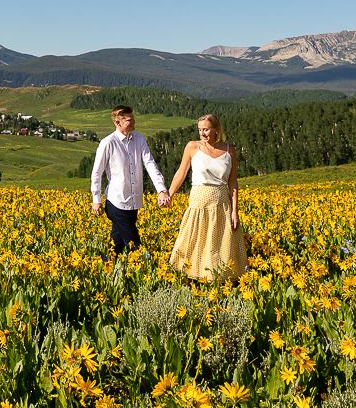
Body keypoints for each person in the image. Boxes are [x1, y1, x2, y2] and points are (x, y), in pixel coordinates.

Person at [166, 113, 247, 281]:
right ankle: (191, 279)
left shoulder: (229, 150)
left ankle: (218, 280)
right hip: (199, 203)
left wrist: (235, 211)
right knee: (196, 241)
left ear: (216, 129)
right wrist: (169, 194)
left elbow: (233, 183)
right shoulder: (192, 147)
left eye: (206, 130)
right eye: (200, 130)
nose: (202, 133)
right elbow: (181, 173)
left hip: (221, 203)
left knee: (218, 244)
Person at [90, 105, 171, 256]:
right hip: (116, 202)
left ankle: (106, 270)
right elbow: (97, 172)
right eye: (129, 120)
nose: (133, 122)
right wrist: (96, 198)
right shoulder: (108, 143)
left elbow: (150, 164)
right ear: (117, 122)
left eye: (133, 119)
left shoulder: (139, 139)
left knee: (116, 242)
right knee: (134, 245)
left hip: (134, 202)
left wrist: (161, 190)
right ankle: (142, 270)